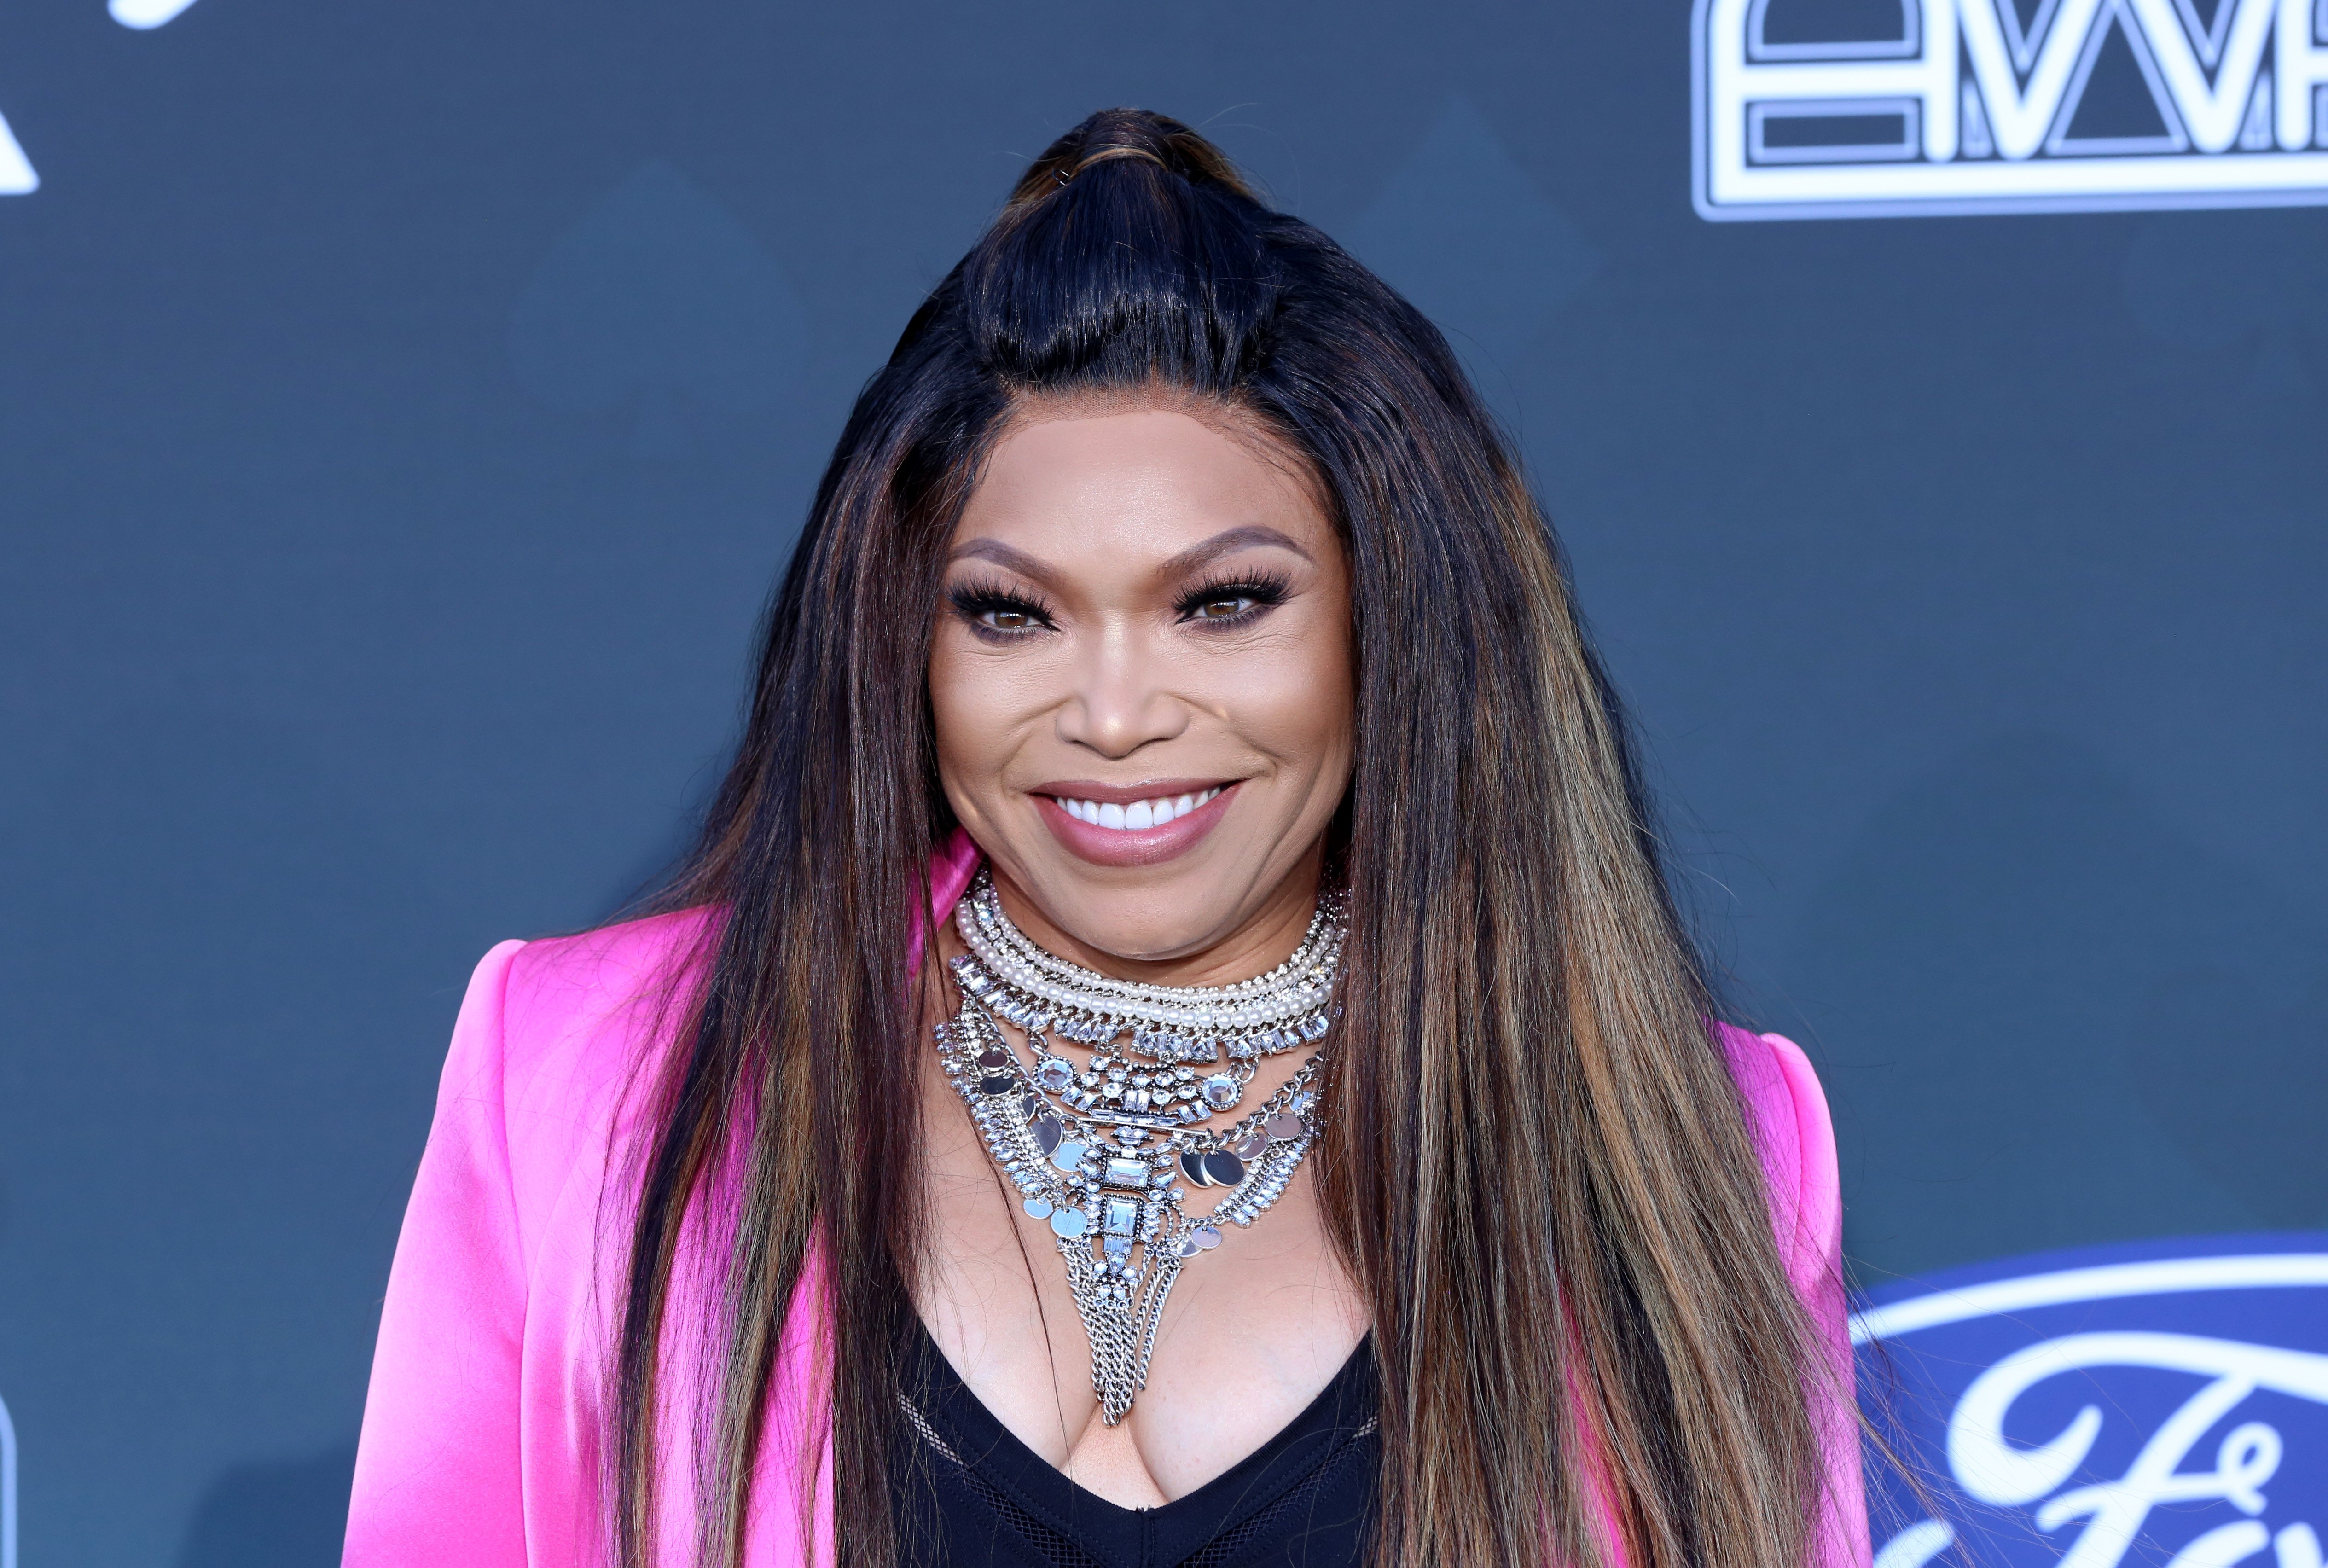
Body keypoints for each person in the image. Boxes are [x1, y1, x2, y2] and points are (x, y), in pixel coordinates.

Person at [343, 108, 1868, 1568]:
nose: (1116, 712)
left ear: (1389, 625)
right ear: (904, 645)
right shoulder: (585, 1081)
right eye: (1011, 615)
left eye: (1224, 604)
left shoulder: (1689, 1142)